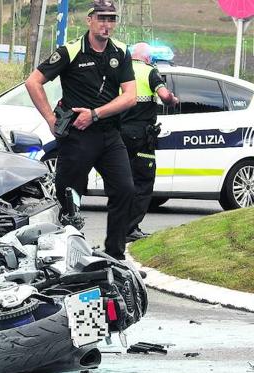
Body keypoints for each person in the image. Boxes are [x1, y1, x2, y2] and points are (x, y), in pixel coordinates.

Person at [25, 0, 137, 260]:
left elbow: (130, 96)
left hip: (109, 134)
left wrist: (96, 114)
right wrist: (51, 120)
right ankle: (68, 255)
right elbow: (33, 82)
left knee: (125, 190)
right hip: (77, 136)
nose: (107, 24)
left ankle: (115, 255)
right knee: (70, 196)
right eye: (101, 18)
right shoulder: (71, 51)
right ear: (89, 20)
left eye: (111, 19)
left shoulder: (120, 51)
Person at [122, 42, 178, 242]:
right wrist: (172, 99)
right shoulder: (149, 71)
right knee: (143, 182)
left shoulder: (123, 70)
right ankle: (130, 229)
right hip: (141, 139)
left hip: (118, 137)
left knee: (123, 182)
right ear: (147, 58)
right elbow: (164, 95)